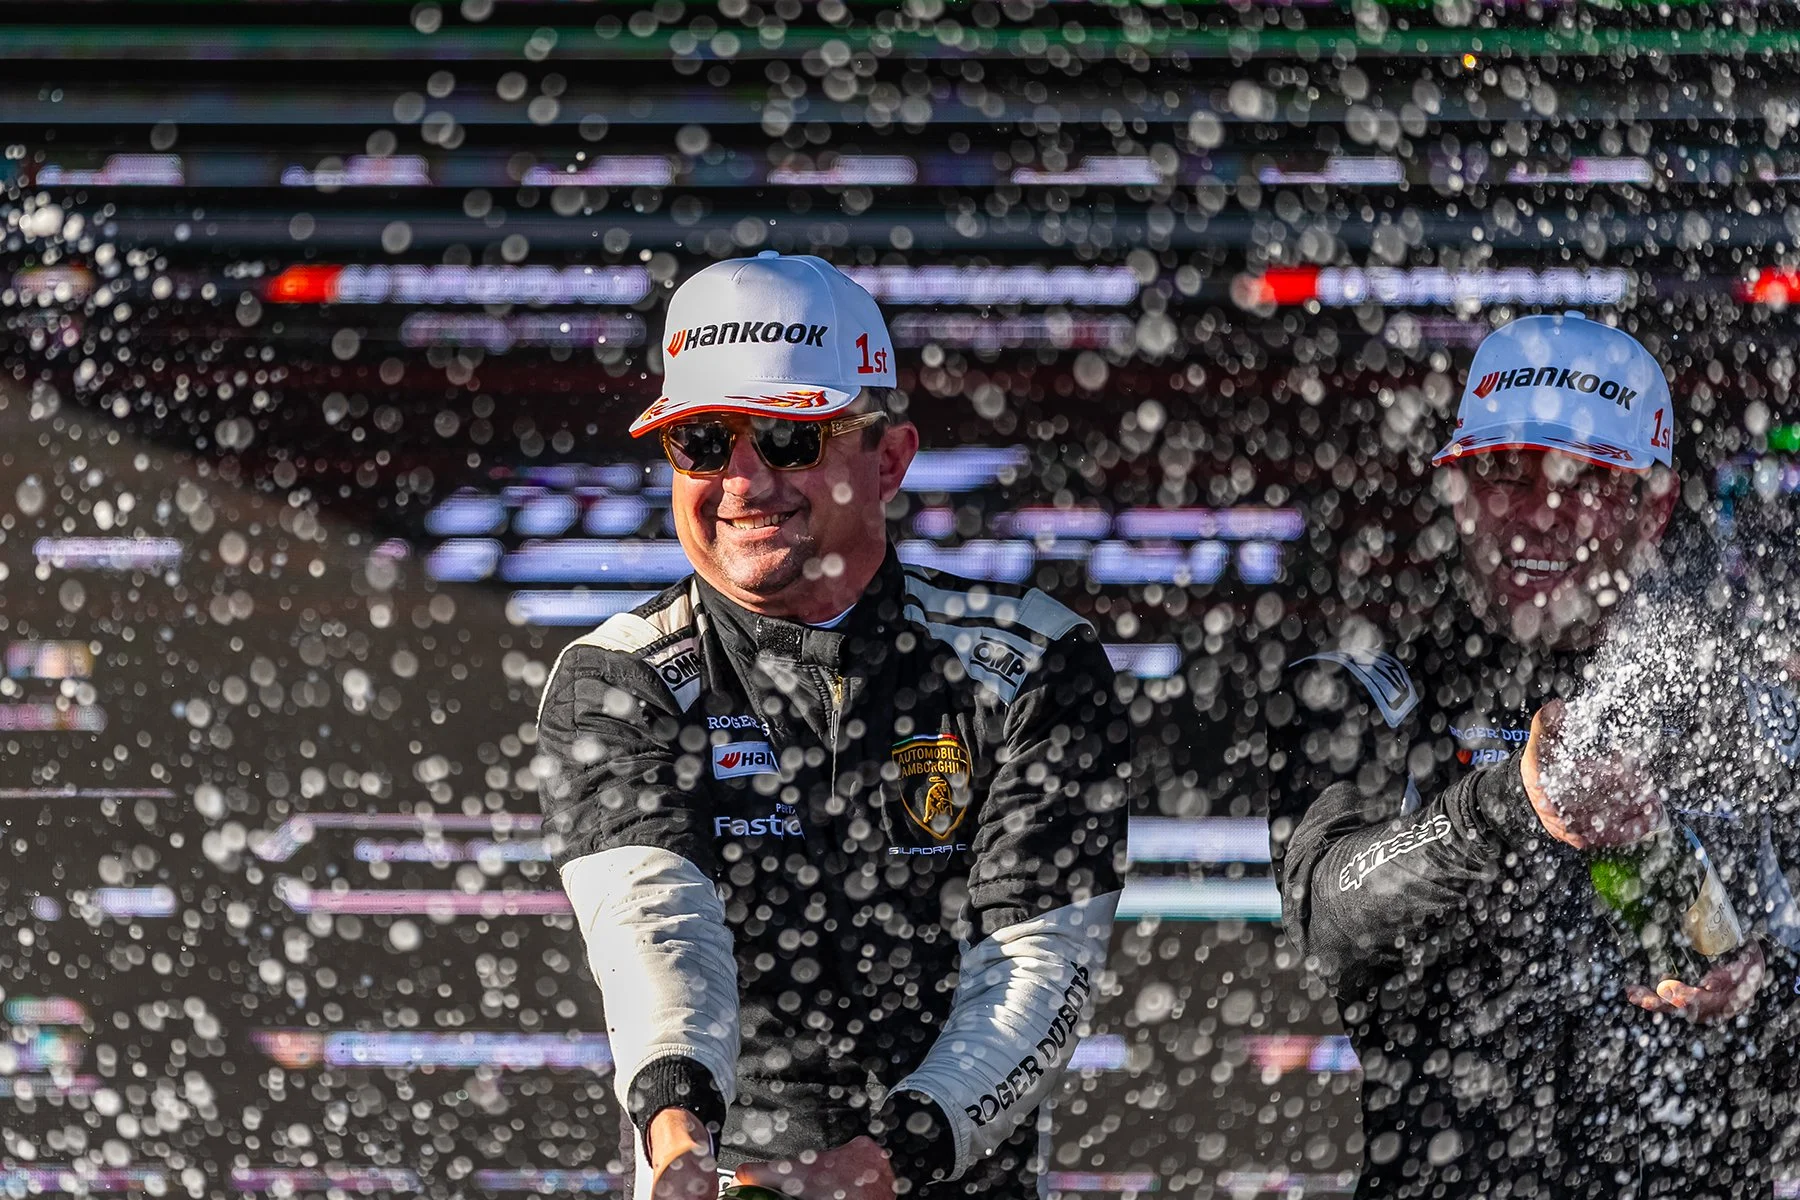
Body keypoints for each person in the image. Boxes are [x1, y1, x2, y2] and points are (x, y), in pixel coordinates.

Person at [535, 251, 1129, 1200]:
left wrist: (885, 1163)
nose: (741, 481)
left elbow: (1040, 966)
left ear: (888, 460)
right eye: (701, 441)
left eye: (787, 438)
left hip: (952, 1170)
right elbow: (652, 931)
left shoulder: (1032, 662)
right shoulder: (620, 674)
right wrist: (680, 1141)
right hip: (717, 1172)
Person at [1264, 312, 1789, 1198]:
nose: (1540, 515)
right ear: (1460, 492)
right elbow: (1321, 915)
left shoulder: (1738, 704)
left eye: (1584, 479)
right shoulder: (1365, 682)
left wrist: (1756, 995)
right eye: (1505, 473)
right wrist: (1510, 801)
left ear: (1654, 508)